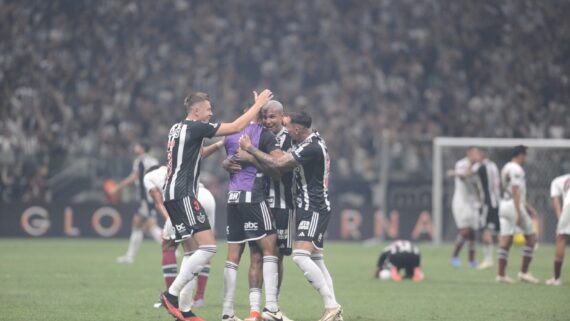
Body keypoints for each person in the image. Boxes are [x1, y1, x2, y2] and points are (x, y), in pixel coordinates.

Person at [160, 89, 274, 321]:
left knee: (192, 252)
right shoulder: (196, 127)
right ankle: (170, 295)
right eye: (209, 110)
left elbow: (197, 153)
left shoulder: (177, 128)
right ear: (197, 110)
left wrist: (219, 145)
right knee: (209, 248)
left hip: (172, 193)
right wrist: (259, 104)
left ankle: (184, 310)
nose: (211, 114)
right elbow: (235, 126)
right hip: (183, 194)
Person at [239, 111, 343, 321]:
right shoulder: (314, 139)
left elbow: (279, 164)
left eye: (288, 127)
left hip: (313, 206)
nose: (285, 130)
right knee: (317, 259)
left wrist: (251, 150)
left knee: (300, 256)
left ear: (297, 129)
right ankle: (333, 310)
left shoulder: (310, 148)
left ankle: (332, 306)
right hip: (310, 206)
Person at [224, 101, 295, 321]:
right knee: (262, 253)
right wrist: (227, 162)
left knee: (275, 255)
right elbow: (233, 156)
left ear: (283, 117)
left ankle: (266, 306)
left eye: (272, 117)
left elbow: (280, 168)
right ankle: (263, 310)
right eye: (264, 116)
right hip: (257, 199)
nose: (268, 121)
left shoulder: (290, 138)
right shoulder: (257, 134)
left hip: (279, 202)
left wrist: (250, 156)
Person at [144, 163, 220, 309]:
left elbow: (158, 201)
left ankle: (171, 296)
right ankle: (199, 298)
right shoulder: (170, 167)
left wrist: (169, 220)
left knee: (169, 245)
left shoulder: (148, 176)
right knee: (204, 247)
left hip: (188, 200)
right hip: (206, 195)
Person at [111, 142, 161, 264]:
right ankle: (129, 256)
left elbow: (134, 177)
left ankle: (171, 249)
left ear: (143, 148)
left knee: (146, 225)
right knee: (143, 224)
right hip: (152, 195)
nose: (135, 148)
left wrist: (117, 188)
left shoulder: (140, 161)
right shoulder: (153, 161)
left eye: (137, 146)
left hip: (146, 196)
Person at [496, 145, 539, 284]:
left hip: (504, 205)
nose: (526, 158)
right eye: (525, 155)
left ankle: (501, 275)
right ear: (520, 155)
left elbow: (509, 190)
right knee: (531, 237)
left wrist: (528, 207)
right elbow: (515, 190)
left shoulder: (506, 167)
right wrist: (519, 211)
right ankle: (524, 273)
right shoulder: (517, 169)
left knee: (506, 239)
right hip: (513, 206)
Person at [447, 147, 481, 268]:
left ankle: (471, 261)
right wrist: (471, 165)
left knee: (472, 232)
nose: (477, 155)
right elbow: (463, 176)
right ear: (469, 154)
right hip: (461, 202)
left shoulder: (479, 166)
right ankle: (454, 257)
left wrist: (479, 199)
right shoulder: (461, 164)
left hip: (473, 202)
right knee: (465, 230)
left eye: (478, 153)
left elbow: (477, 184)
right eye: (474, 153)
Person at [472, 151, 501, 270]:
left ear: (481, 155)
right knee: (498, 232)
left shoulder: (481, 168)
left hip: (486, 203)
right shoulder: (493, 166)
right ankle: (502, 259)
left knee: (486, 231)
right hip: (497, 201)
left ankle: (488, 260)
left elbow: (469, 175)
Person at [546, 173, 570, 286]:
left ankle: (556, 279)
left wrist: (561, 219)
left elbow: (556, 201)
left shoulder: (557, 181)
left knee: (561, 238)